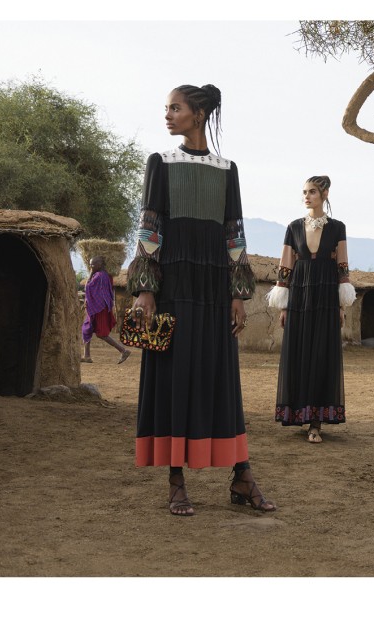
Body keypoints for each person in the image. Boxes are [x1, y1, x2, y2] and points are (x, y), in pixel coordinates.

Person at [127, 83, 275, 516]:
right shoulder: (161, 163)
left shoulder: (227, 169)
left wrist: (238, 294)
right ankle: (176, 481)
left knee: (220, 379)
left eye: (175, 108)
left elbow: (235, 233)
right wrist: (146, 290)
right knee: (176, 380)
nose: (168, 115)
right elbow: (149, 229)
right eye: (166, 108)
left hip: (214, 293)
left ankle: (241, 476)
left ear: (200, 112)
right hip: (172, 289)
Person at [266, 175, 355, 444]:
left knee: (321, 355)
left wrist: (341, 304)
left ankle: (316, 422)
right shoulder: (293, 227)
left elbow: (342, 266)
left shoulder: (338, 228)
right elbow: (286, 267)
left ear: (325, 194)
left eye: (312, 192)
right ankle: (300, 414)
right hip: (300, 297)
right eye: (304, 192)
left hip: (327, 295)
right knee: (299, 353)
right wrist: (283, 305)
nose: (307, 196)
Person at [81, 255, 131, 364]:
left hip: (99, 308)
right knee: (86, 329)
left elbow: (88, 287)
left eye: (93, 264)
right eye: (90, 264)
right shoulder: (105, 275)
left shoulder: (99, 276)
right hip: (97, 307)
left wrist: (90, 273)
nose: (91, 266)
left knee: (101, 334)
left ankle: (123, 351)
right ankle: (87, 356)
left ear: (100, 264)